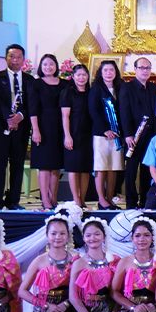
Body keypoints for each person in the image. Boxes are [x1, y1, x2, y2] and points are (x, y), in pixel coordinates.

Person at [0, 43, 32, 210]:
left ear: (23, 59)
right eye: (11, 56)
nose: (15, 60)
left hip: (21, 129)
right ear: (6, 58)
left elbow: (32, 103)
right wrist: (9, 119)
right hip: (1, 127)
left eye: (18, 57)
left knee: (17, 165)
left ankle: (13, 200)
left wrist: (20, 116)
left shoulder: (29, 80)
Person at [120, 57, 156, 210]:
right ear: (135, 69)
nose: (145, 71)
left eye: (148, 68)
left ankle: (144, 200)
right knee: (131, 169)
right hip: (134, 136)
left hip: (151, 135)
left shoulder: (153, 88)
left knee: (147, 169)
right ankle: (131, 202)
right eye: (142, 67)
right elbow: (124, 112)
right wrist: (128, 134)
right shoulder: (127, 87)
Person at [29, 54, 67, 210]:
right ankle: (44, 199)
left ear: (56, 66)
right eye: (45, 64)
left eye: (51, 64)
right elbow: (33, 109)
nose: (48, 67)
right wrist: (35, 130)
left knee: (56, 165)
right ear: (41, 67)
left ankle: (54, 198)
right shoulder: (36, 84)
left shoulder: (64, 84)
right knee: (44, 165)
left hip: (60, 127)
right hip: (43, 126)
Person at [89, 60, 125, 209]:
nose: (109, 73)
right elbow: (93, 110)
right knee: (101, 167)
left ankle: (110, 199)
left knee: (113, 167)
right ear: (101, 72)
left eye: (112, 70)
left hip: (117, 134)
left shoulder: (120, 87)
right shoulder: (96, 88)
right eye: (106, 70)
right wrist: (105, 129)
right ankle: (101, 199)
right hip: (101, 134)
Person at [61, 63, 94, 207]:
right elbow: (65, 116)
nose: (81, 78)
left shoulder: (91, 93)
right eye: (78, 75)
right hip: (74, 133)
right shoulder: (67, 93)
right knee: (74, 168)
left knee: (85, 169)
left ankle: (82, 198)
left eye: (84, 75)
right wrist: (67, 135)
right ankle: (76, 199)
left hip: (88, 134)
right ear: (73, 77)